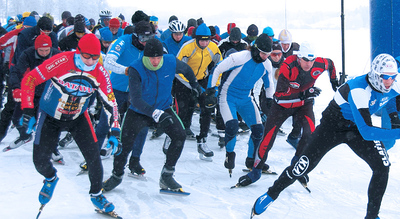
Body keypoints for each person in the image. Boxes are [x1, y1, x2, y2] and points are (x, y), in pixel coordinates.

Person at [249, 53, 398, 219]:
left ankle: (372, 216)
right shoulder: (359, 90)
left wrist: (394, 116)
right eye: (385, 77)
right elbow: (368, 132)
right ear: (376, 75)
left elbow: (393, 98)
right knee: (302, 167)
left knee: (382, 166)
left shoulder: (394, 84)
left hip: (356, 128)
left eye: (393, 77)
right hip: (333, 126)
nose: (389, 82)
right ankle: (271, 194)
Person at [19, 33, 121, 214]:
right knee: (40, 162)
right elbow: (30, 79)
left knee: (94, 158)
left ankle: (97, 195)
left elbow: (110, 102)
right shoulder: (61, 61)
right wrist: (28, 109)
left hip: (77, 118)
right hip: (50, 116)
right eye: (86, 56)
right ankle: (50, 178)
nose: (90, 62)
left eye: (95, 57)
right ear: (78, 52)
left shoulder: (99, 72)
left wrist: (115, 131)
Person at [102, 38, 202, 192]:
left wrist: (194, 84)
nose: (155, 61)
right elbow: (135, 100)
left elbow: (187, 70)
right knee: (125, 145)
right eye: (152, 58)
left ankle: (167, 176)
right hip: (138, 112)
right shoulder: (136, 68)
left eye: (158, 57)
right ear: (145, 57)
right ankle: (116, 175)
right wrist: (155, 114)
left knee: (179, 136)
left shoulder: (169, 61)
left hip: (163, 108)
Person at [236, 41, 338, 186]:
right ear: (298, 58)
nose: (309, 64)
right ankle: (256, 171)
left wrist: (333, 79)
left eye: (312, 60)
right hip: (282, 106)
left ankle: (296, 166)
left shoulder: (319, 64)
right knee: (268, 137)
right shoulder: (288, 66)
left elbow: (331, 64)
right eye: (305, 60)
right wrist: (304, 93)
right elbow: (280, 97)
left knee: (310, 134)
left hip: (303, 105)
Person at [97, 20, 155, 176]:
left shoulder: (150, 43)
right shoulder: (122, 41)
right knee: (105, 123)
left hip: (137, 91)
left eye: (148, 39)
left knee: (142, 127)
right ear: (135, 36)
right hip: (117, 88)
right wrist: (127, 70)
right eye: (142, 39)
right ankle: (92, 157)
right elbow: (109, 62)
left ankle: (135, 161)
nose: (145, 43)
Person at [211, 33, 273, 176]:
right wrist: (211, 89)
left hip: (245, 98)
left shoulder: (266, 64)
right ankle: (230, 155)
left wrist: (269, 99)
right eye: (263, 53)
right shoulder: (240, 57)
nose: (265, 57)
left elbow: (269, 84)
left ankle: (251, 161)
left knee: (258, 130)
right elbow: (217, 69)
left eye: (268, 54)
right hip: (228, 96)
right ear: (256, 49)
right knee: (232, 126)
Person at [175, 23, 222, 160]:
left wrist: (214, 86)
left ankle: (202, 141)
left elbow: (220, 67)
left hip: (202, 81)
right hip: (183, 82)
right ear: (196, 38)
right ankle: (171, 137)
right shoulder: (187, 48)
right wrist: (191, 85)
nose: (204, 42)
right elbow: (177, 70)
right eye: (201, 40)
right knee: (182, 111)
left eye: (207, 39)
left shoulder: (213, 48)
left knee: (207, 109)